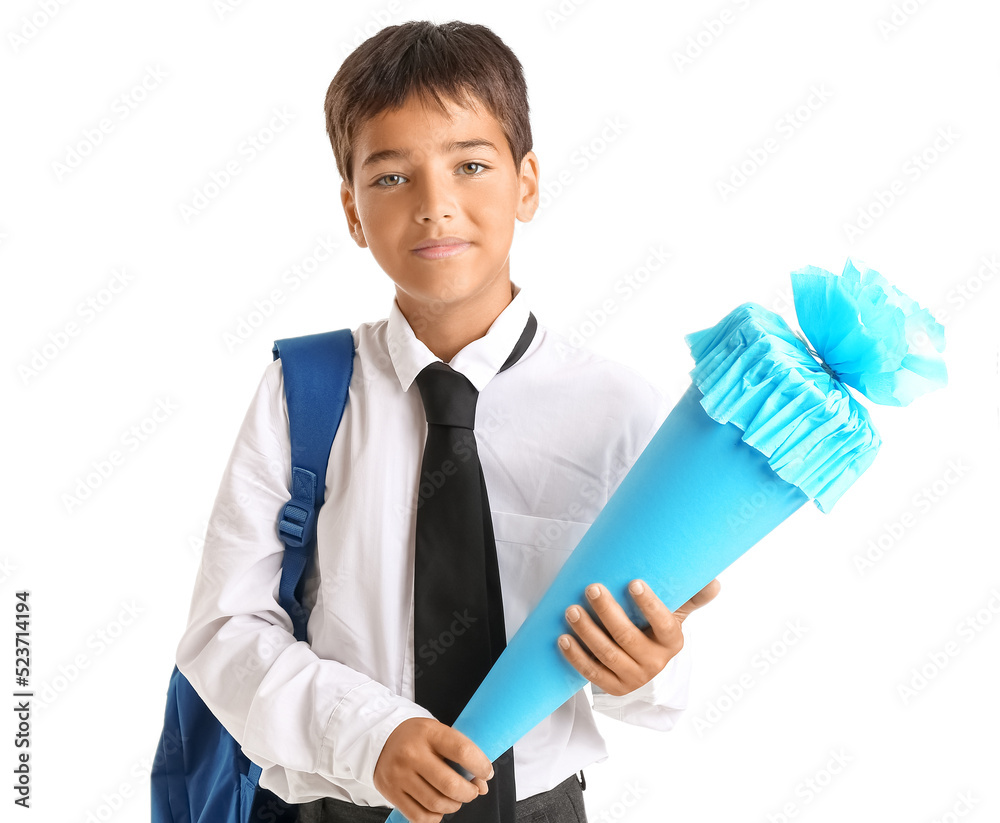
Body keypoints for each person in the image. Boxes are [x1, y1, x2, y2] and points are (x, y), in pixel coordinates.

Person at [175, 19, 720, 823]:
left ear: (526, 183)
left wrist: (646, 667)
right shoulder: (303, 393)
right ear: (353, 211)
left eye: (470, 165)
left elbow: (659, 687)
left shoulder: (620, 408)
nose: (436, 206)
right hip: (342, 803)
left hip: (535, 806)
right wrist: (372, 736)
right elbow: (225, 629)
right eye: (392, 177)